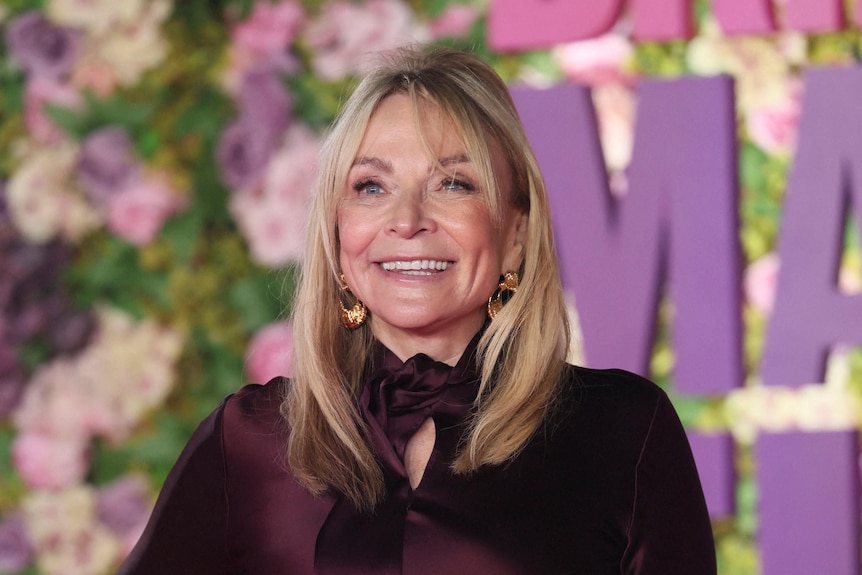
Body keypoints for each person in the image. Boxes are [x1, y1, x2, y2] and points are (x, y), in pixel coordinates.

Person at [118, 45, 716, 574]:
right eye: (371, 187)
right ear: (336, 233)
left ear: (515, 234)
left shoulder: (624, 431)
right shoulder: (246, 441)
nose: (407, 221)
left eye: (453, 183)